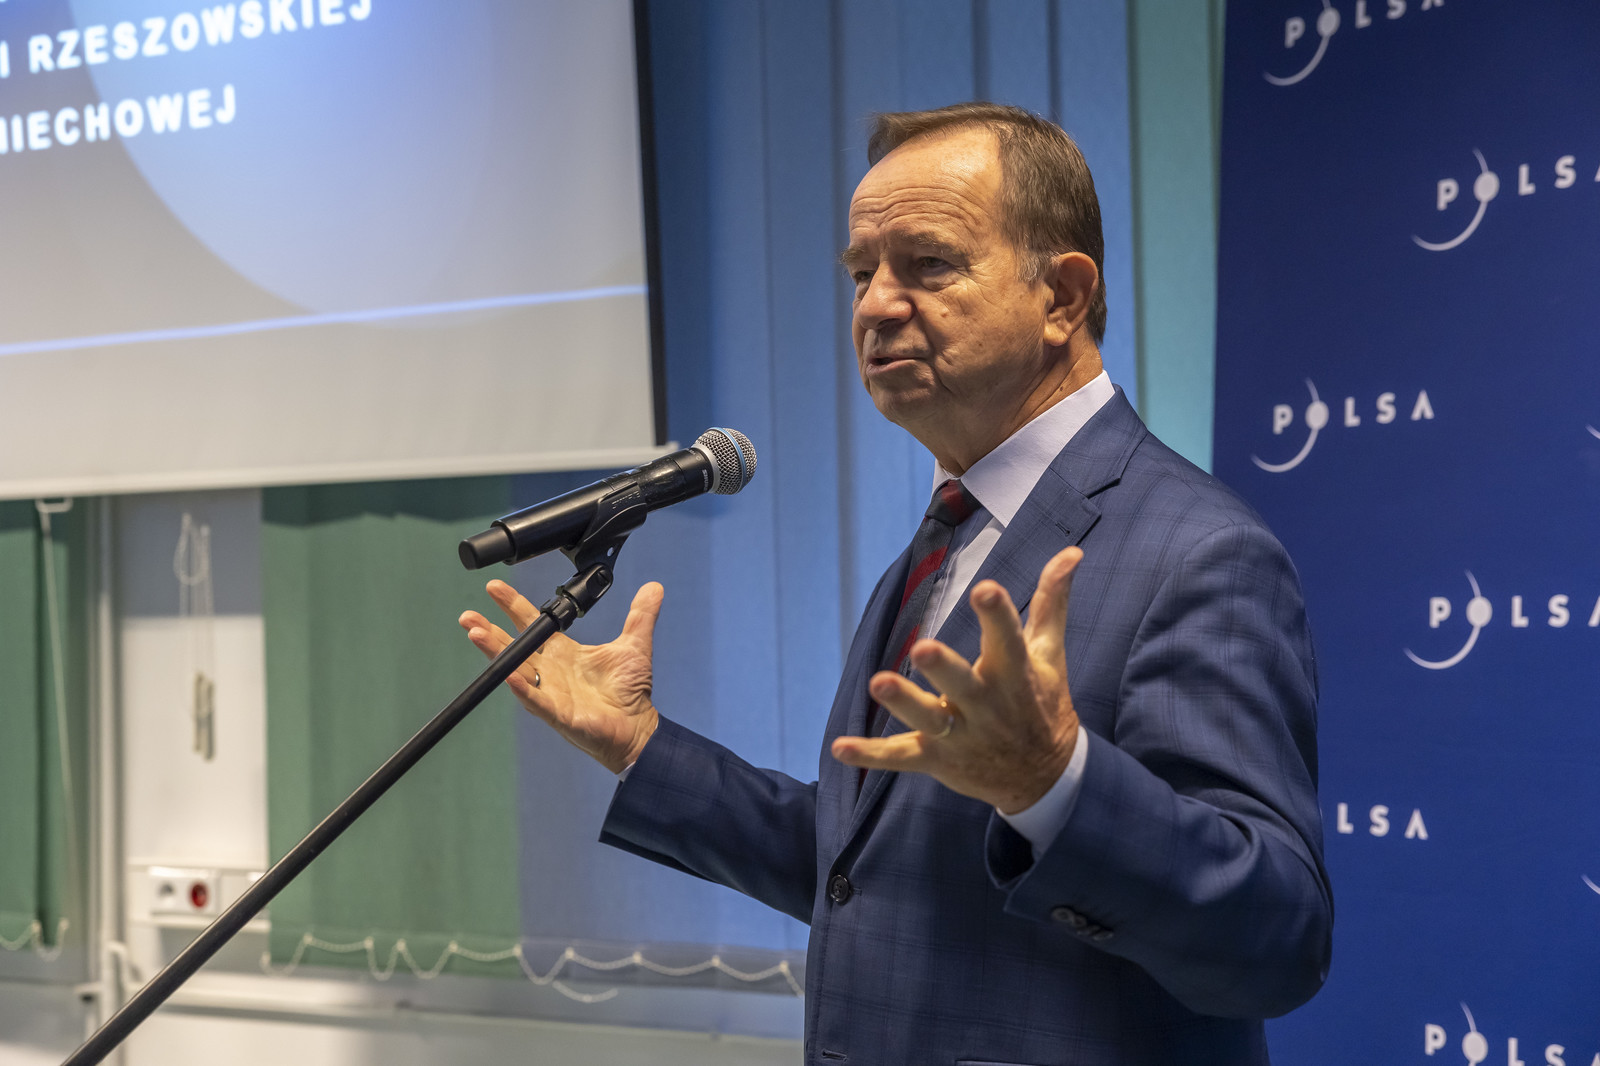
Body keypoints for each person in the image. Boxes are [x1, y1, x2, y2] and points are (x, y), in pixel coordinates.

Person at [459, 102, 1330, 1065]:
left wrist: (1056, 788)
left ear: (1062, 296)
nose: (875, 305)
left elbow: (1278, 940)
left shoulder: (1199, 550)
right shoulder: (953, 532)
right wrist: (642, 747)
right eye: (862, 272)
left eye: (928, 264)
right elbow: (871, 875)